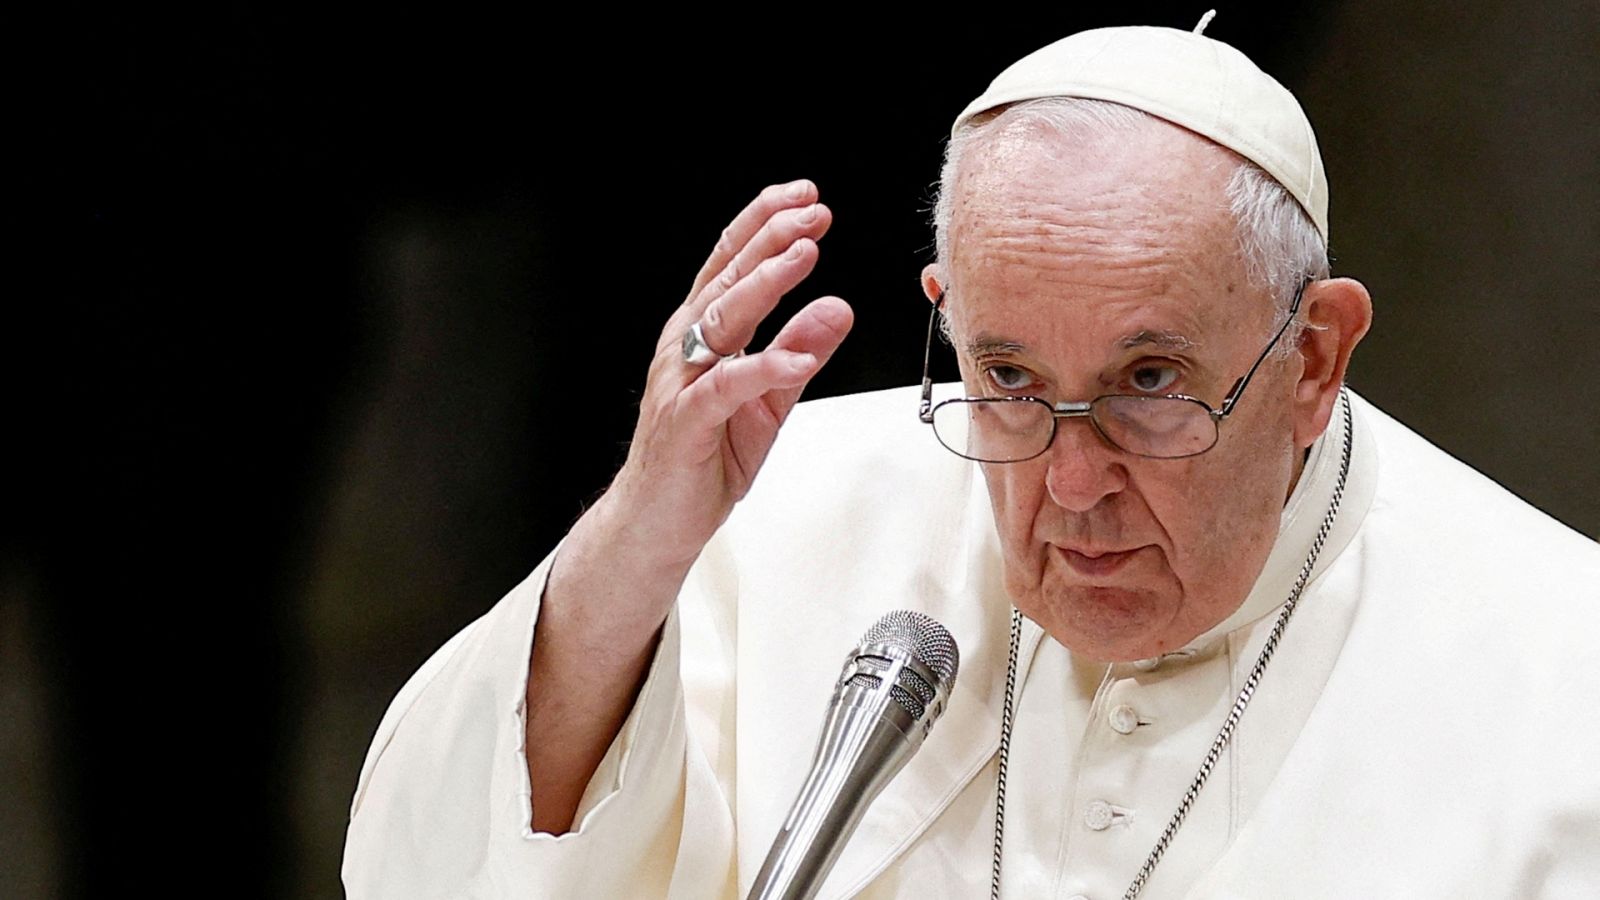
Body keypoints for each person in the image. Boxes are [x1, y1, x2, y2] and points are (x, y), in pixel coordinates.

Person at [342, 21, 1600, 900]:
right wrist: (636, 538)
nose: (1071, 484)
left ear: (1313, 356)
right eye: (1007, 379)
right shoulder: (770, 513)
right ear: (947, 315)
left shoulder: (1559, 670)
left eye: (1147, 384)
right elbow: (422, 871)